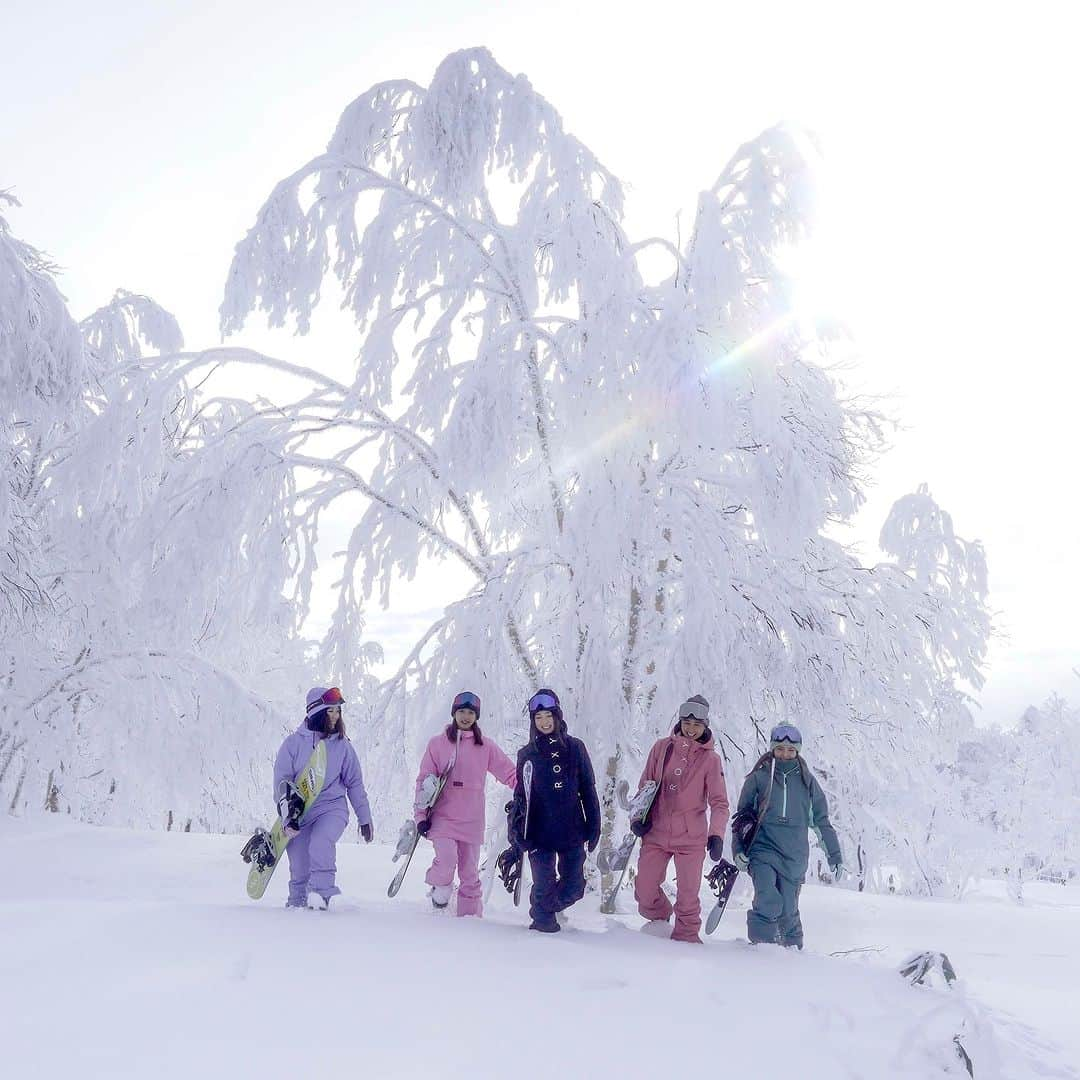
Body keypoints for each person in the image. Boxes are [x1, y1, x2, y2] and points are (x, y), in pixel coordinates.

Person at [732, 722, 843, 949]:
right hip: (763, 849)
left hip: (794, 856)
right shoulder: (758, 778)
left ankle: (791, 953)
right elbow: (741, 819)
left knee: (789, 909)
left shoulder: (807, 781)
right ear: (773, 749)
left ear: (798, 751)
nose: (785, 754)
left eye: (790, 750)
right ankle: (762, 950)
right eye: (780, 749)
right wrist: (738, 851)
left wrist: (835, 854)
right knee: (768, 899)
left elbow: (821, 822)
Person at [632, 695, 730, 943]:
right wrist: (638, 816)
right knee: (644, 892)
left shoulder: (710, 760)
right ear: (680, 721)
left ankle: (686, 941)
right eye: (687, 722)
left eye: (697, 724)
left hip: (690, 838)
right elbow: (646, 785)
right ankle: (659, 917)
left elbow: (719, 803)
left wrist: (716, 834)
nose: (691, 728)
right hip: (656, 832)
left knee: (688, 896)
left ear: (706, 725)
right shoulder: (661, 748)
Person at [414, 690, 517, 916]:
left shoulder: (485, 746)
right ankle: (440, 893)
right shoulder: (437, 744)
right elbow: (424, 781)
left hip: (472, 819)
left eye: (471, 712)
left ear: (476, 716)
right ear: (454, 713)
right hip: (443, 817)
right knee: (447, 858)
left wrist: (528, 787)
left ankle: (470, 918)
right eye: (462, 711)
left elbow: (510, 773)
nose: (466, 716)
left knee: (469, 872)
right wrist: (421, 816)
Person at [507, 689, 601, 933]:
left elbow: (588, 790)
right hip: (539, 834)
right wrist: (517, 833)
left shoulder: (576, 748)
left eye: (548, 716)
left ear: (558, 716)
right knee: (543, 887)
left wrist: (594, 826)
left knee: (574, 888)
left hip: (571, 832)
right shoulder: (526, 755)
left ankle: (543, 907)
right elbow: (521, 797)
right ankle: (542, 925)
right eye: (538, 718)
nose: (544, 722)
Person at [274, 686, 373, 910]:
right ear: (315, 712)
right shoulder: (292, 745)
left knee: (320, 843)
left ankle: (323, 895)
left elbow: (355, 783)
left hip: (332, 808)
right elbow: (281, 781)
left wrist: (364, 818)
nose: (336, 716)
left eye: (338, 711)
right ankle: (297, 904)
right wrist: (287, 814)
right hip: (301, 812)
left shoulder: (342, 745)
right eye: (331, 711)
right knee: (299, 863)